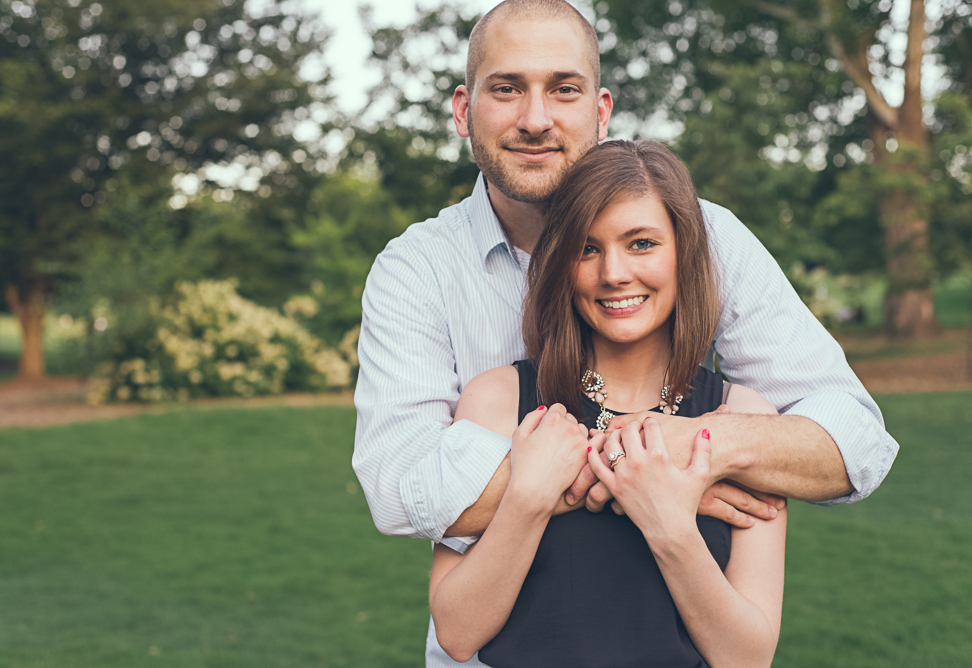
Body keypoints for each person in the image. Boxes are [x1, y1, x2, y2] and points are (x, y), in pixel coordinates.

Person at [352, 0, 896, 664]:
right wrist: (646, 468)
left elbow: (856, 444)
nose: (535, 118)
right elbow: (401, 490)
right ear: (464, 109)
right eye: (507, 88)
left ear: (601, 110)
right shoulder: (417, 271)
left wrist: (694, 445)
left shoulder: (704, 236)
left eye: (564, 89)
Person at [429, 138, 786, 668]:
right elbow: (457, 632)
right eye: (587, 248)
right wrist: (529, 494)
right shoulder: (498, 402)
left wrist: (668, 526)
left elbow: (747, 658)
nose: (614, 273)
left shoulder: (744, 420)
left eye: (641, 243)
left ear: (684, 253)